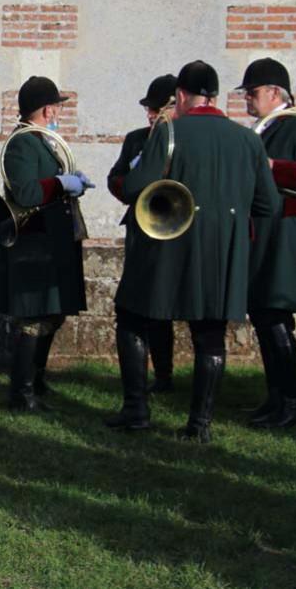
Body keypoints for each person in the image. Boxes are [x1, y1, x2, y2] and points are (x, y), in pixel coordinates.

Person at [110, 60, 280, 441]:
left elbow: (136, 186)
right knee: (210, 335)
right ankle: (199, 425)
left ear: (182, 96)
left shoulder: (169, 132)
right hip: (220, 254)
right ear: (216, 96)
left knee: (132, 317)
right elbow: (269, 205)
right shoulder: (248, 139)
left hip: (165, 248)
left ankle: (137, 410)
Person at [238, 57, 296, 429]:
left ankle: (293, 405)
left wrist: (274, 166)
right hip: (262, 234)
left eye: (253, 92)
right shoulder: (260, 129)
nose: (247, 98)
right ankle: (275, 398)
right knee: (263, 317)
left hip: (285, 235)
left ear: (275, 93)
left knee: (277, 319)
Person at [0, 76, 93, 411]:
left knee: (54, 313)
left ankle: (36, 380)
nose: (58, 110)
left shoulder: (44, 141)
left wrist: (71, 181)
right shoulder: (22, 143)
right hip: (34, 241)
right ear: (47, 109)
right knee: (33, 318)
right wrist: (62, 184)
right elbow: (27, 193)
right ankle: (21, 393)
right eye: (56, 105)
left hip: (53, 239)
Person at [107, 73, 178, 396]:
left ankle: (164, 374)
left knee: (165, 306)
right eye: (148, 109)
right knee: (143, 304)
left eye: (156, 109)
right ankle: (155, 377)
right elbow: (116, 178)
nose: (150, 115)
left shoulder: (183, 137)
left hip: (177, 227)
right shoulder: (137, 139)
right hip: (141, 225)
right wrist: (129, 183)